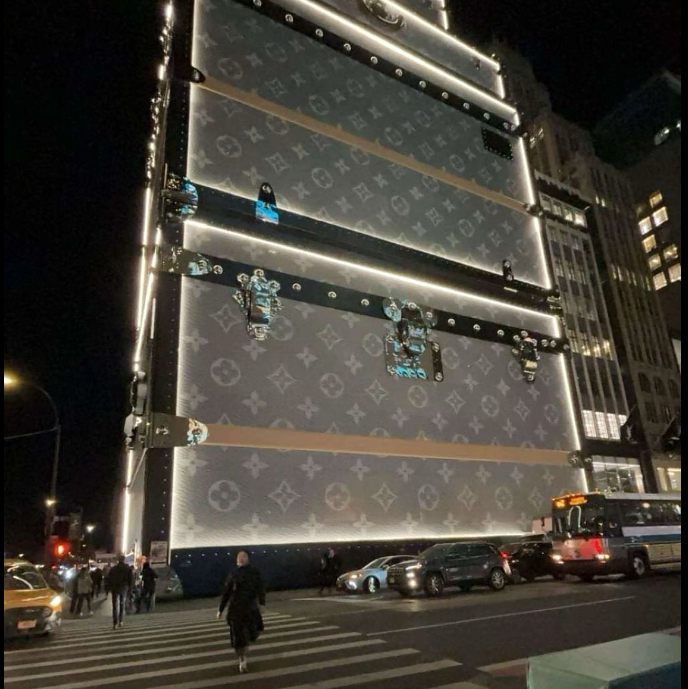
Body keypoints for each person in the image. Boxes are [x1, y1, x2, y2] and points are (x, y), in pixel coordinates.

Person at [217, 551, 266, 674]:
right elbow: (227, 592)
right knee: (238, 636)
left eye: (244, 556)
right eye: (239, 557)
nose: (241, 558)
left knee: (252, 633)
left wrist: (262, 603)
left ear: (248, 559)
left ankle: (244, 649)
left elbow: (261, 588)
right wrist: (220, 609)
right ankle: (242, 659)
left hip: (250, 609)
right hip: (236, 610)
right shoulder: (234, 574)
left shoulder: (254, 572)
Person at [107, 555, 133, 630]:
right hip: (124, 587)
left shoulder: (113, 569)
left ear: (118, 560)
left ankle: (115, 623)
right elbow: (130, 579)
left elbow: (109, 578)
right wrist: (130, 588)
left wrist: (109, 588)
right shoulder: (128, 568)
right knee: (122, 604)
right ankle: (121, 621)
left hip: (115, 588)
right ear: (124, 560)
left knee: (115, 605)